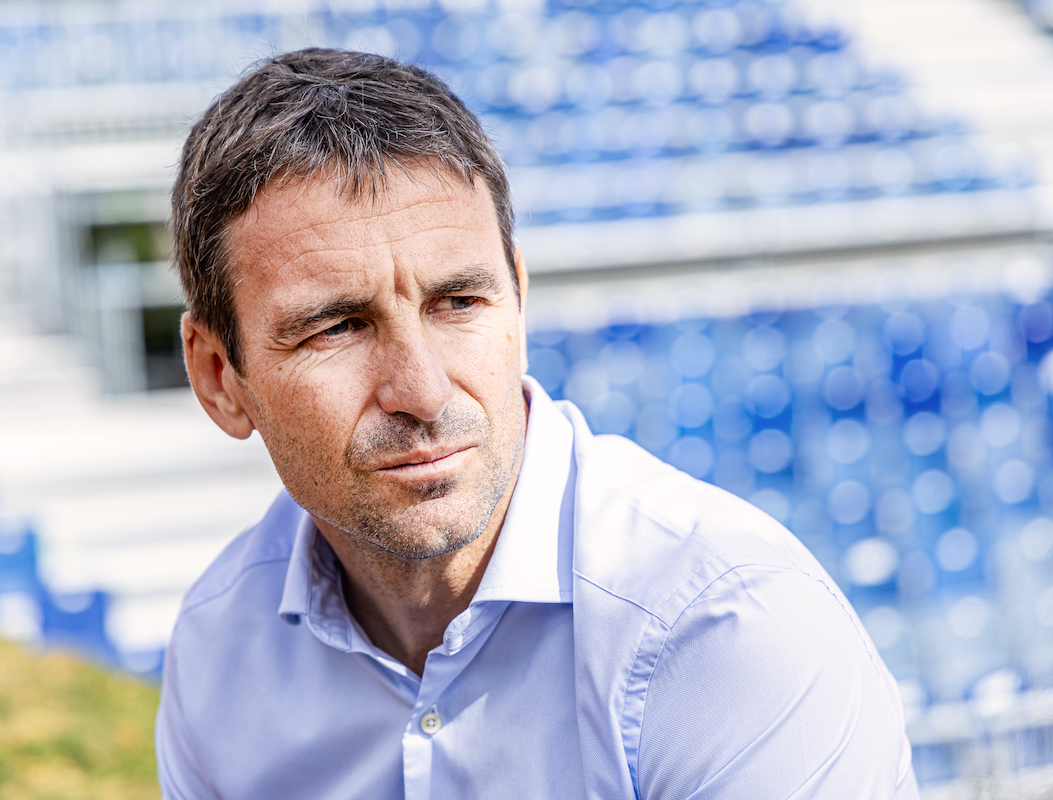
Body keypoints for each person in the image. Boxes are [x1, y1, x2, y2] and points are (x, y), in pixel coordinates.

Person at [156, 47, 919, 799]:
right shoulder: (220, 651)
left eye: (459, 302)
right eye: (337, 328)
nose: (422, 391)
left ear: (517, 301)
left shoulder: (730, 632)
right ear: (220, 378)